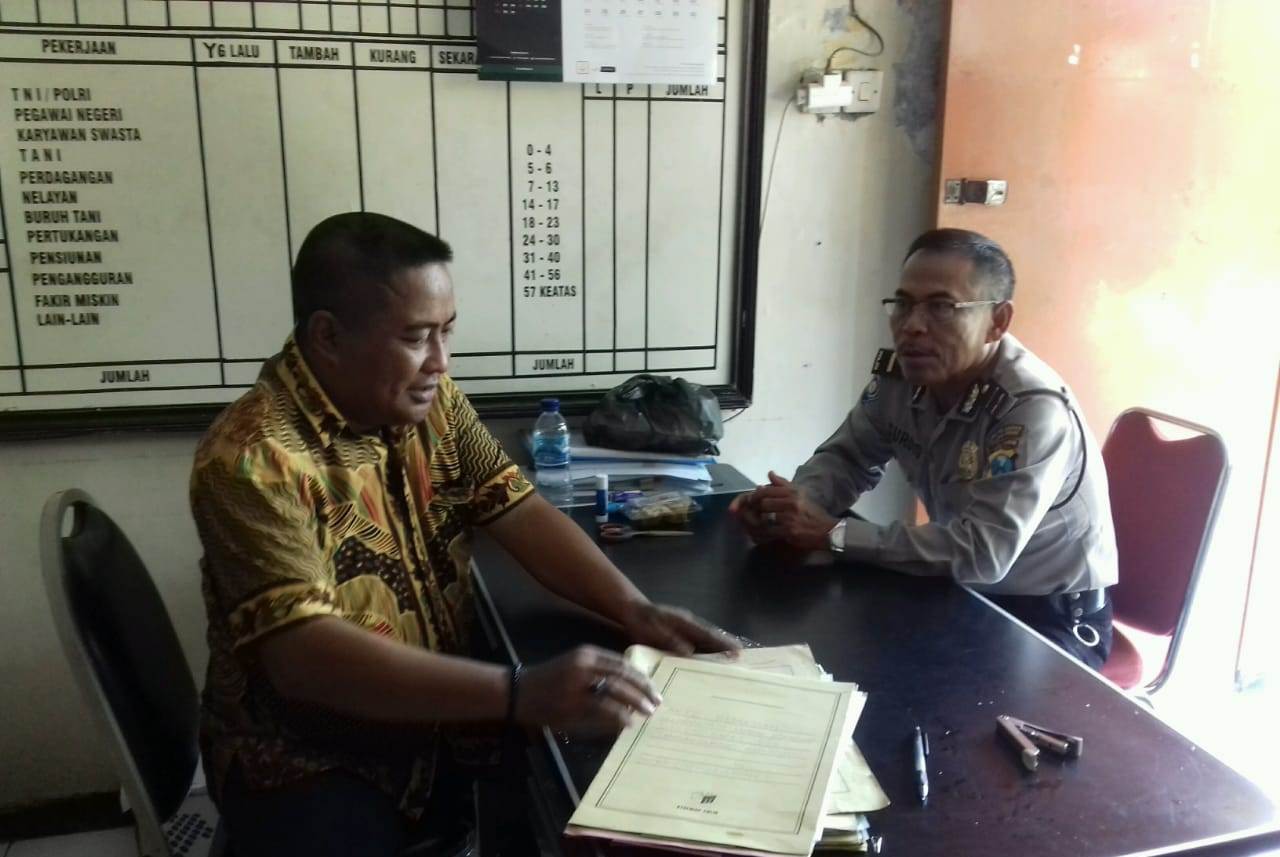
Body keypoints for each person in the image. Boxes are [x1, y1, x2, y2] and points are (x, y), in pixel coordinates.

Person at [191, 212, 736, 856]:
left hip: (439, 719)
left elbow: (516, 507)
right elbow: (305, 658)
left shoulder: (431, 401)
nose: (440, 361)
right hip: (307, 760)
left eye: (446, 332)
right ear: (329, 337)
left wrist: (634, 610)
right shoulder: (251, 459)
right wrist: (519, 693)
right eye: (416, 337)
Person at [730, 228, 1117, 669]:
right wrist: (791, 510)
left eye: (941, 307)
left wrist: (832, 533)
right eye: (903, 304)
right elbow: (848, 458)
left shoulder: (1030, 409)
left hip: (1046, 618)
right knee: (818, 654)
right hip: (957, 589)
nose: (912, 326)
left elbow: (982, 553)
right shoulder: (903, 375)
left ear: (997, 321)